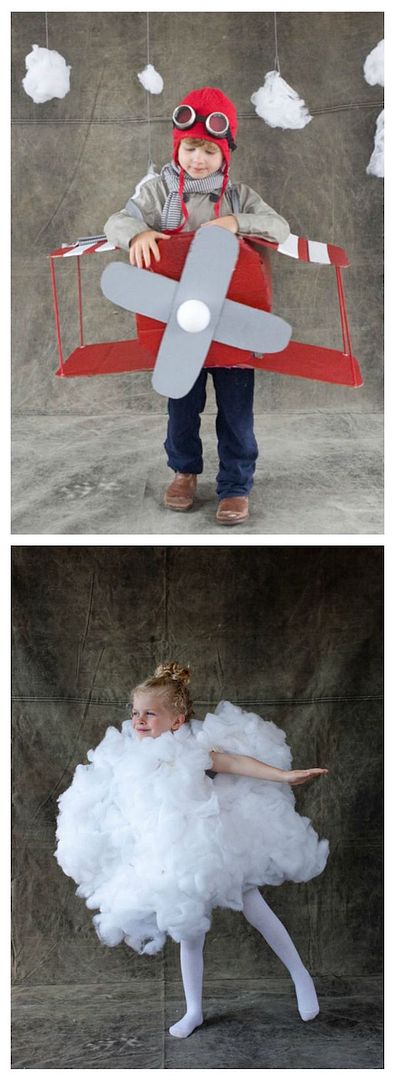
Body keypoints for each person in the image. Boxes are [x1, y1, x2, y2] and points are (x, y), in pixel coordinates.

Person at [55, 662, 329, 1040]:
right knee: (189, 931)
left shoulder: (193, 748)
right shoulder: (127, 753)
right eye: (135, 712)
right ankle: (195, 1010)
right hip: (171, 852)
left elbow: (235, 763)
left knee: (256, 909)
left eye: (150, 713)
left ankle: (301, 977)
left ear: (177, 719)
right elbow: (115, 797)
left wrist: (284, 775)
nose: (139, 720)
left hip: (212, 843)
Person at [104, 87, 290, 525]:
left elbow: (278, 228)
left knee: (237, 412)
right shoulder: (158, 191)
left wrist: (235, 222)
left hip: (231, 322)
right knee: (181, 408)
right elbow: (116, 219)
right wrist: (136, 234)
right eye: (191, 147)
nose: (198, 159)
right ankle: (184, 472)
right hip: (179, 326)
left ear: (224, 153)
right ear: (178, 146)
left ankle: (235, 486)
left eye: (209, 150)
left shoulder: (238, 195)